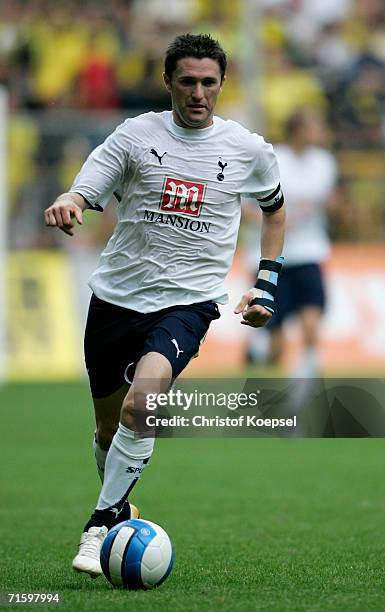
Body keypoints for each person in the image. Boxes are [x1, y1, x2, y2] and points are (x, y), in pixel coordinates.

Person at [44, 33, 285, 577]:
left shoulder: (248, 148)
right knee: (109, 431)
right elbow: (90, 183)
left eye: (208, 82)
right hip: (116, 297)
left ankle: (100, 523)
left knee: (140, 407)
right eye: (187, 82)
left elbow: (275, 209)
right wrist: (71, 199)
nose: (198, 93)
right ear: (168, 82)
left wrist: (265, 281)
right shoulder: (136, 135)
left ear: (222, 84)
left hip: (189, 303)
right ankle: (120, 500)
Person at [263, 108, 338, 377]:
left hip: (310, 253)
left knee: (311, 326)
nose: (321, 131)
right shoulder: (272, 159)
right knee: (275, 340)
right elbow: (247, 207)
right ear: (298, 131)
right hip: (275, 258)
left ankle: (304, 397)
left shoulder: (324, 162)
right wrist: (276, 222)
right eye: (315, 125)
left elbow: (326, 201)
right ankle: (265, 386)